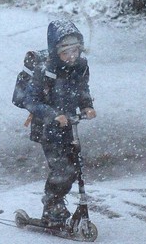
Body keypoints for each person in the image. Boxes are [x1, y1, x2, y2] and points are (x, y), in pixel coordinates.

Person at [23, 19, 96, 226]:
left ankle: (56, 201)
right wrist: (53, 114)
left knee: (74, 168)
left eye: (75, 51)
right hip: (47, 127)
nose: (72, 56)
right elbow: (31, 100)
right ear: (56, 51)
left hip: (69, 126)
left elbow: (82, 89)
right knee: (61, 169)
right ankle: (52, 206)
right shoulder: (44, 68)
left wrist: (86, 106)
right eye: (67, 52)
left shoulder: (80, 65)